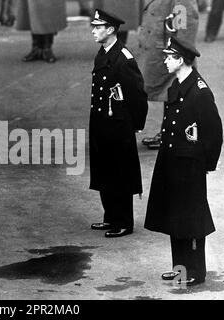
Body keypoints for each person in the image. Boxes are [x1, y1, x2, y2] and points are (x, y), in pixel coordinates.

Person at [144, 37, 223, 286]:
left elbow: (213, 133)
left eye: (169, 57)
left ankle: (196, 272)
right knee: (175, 218)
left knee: (192, 220)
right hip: (172, 162)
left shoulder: (199, 92)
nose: (165, 61)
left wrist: (205, 165)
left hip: (190, 166)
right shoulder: (179, 85)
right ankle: (180, 269)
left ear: (180, 60)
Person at [89, 9, 148, 238]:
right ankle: (110, 217)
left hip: (118, 125)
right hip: (102, 122)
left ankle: (124, 221)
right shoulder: (103, 53)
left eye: (98, 27)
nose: (94, 31)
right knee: (104, 170)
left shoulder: (123, 58)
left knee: (120, 174)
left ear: (111, 30)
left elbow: (138, 95)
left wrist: (134, 125)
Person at [138, 0, 199, 149]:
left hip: (169, 54)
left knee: (175, 93)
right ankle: (167, 132)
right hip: (160, 51)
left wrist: (178, 54)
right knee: (169, 95)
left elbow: (183, 30)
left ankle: (173, 134)